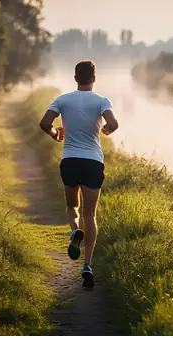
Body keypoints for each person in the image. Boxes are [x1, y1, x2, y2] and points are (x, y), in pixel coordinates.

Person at [39, 60, 119, 288]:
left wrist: (55, 134)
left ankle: (75, 232)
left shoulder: (63, 99)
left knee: (72, 207)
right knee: (90, 213)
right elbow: (114, 123)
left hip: (70, 160)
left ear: (75, 78)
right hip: (93, 162)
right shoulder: (102, 101)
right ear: (94, 78)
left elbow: (45, 123)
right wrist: (106, 129)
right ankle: (88, 265)